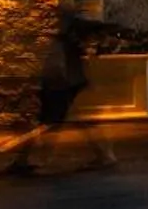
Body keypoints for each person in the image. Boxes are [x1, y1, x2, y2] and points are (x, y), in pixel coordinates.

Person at [13, 9, 115, 173]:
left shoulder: (65, 42)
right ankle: (105, 156)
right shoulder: (70, 42)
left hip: (61, 85)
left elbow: (58, 67)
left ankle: (30, 160)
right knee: (80, 122)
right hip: (70, 83)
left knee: (50, 123)